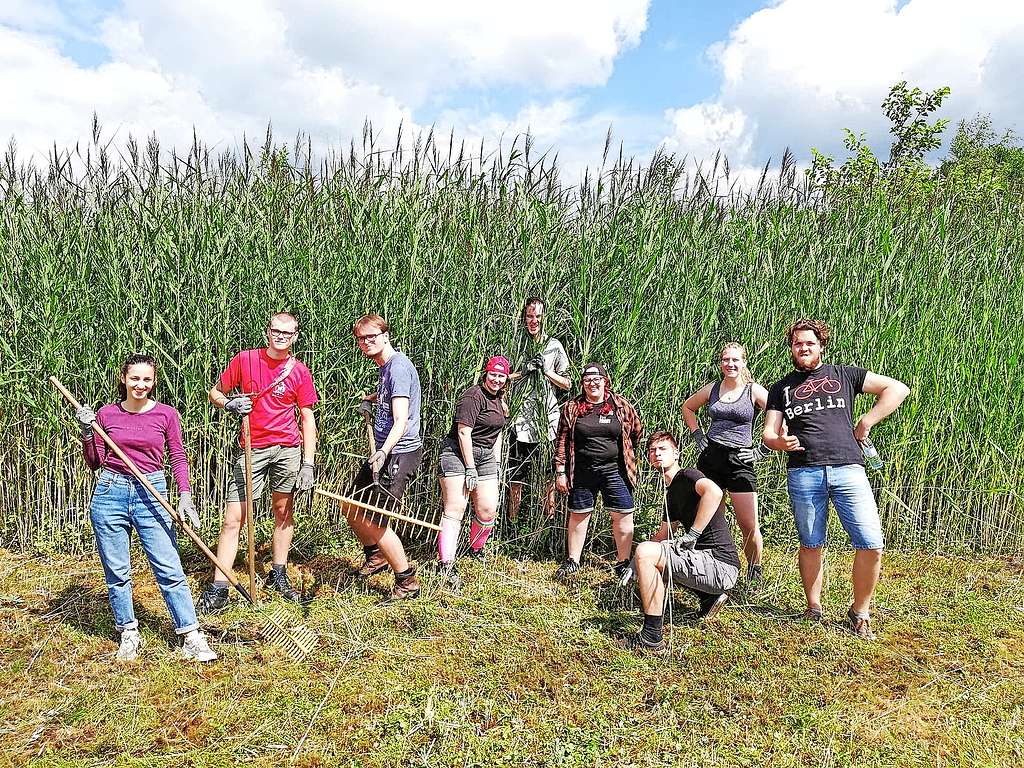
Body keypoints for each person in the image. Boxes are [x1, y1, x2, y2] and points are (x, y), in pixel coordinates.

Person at [763, 319, 910, 639]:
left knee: (871, 543)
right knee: (811, 543)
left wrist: (866, 421)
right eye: (798, 343)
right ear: (791, 348)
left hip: (849, 469)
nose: (803, 348)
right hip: (804, 471)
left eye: (809, 343)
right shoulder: (781, 388)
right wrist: (779, 443)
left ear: (821, 346)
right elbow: (768, 434)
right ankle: (813, 608)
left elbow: (897, 389)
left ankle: (859, 612)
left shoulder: (844, 374)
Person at [75, 354, 217, 662]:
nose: (141, 385)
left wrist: (184, 496)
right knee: (117, 571)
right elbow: (95, 462)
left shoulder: (166, 414)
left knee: (168, 567)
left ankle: (191, 634)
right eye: (135, 378)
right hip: (110, 491)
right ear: (123, 379)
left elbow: (178, 456)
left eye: (147, 380)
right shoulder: (106, 414)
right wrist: (88, 431)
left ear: (153, 382)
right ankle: (128, 632)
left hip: (152, 492)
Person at [199, 312, 319, 612]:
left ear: (295, 336)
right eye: (276, 331)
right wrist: (229, 403)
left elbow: (307, 417)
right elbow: (215, 392)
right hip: (252, 449)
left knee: (283, 511)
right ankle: (219, 587)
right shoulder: (245, 360)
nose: (281, 336)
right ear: (268, 332)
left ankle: (279, 573)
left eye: (287, 333)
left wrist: (308, 463)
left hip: (288, 449)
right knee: (233, 518)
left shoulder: (299, 371)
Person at [622, 431, 739, 652]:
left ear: (676, 454)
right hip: (707, 564)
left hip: (720, 564)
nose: (657, 454)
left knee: (649, 553)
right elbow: (664, 535)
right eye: (652, 450)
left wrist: (693, 534)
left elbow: (714, 493)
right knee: (649, 552)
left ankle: (651, 638)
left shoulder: (687, 475)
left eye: (662, 449)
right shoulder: (670, 493)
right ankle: (708, 596)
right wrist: (634, 562)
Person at [348, 313, 424, 600]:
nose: (366, 342)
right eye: (361, 339)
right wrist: (374, 401)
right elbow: (394, 402)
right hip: (384, 452)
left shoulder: (398, 368)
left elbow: (402, 420)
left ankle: (407, 581)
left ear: (385, 336)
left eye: (371, 337)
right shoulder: (386, 368)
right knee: (351, 507)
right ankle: (376, 556)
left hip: (398, 454)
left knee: (376, 520)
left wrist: (382, 451)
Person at [682, 342, 770, 583]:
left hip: (740, 459)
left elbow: (778, 415)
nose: (730, 364)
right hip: (711, 457)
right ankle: (714, 567)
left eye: (735, 360)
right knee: (712, 519)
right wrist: (697, 434)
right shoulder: (712, 388)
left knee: (748, 524)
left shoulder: (754, 391)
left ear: (743, 362)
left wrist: (763, 450)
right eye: (725, 360)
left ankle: (754, 569)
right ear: (721, 363)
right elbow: (688, 407)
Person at [552, 363, 643, 580]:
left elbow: (636, 432)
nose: (592, 384)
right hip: (582, 470)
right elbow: (562, 439)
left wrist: (626, 454)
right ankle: (573, 560)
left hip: (616, 470)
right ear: (582, 384)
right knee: (579, 514)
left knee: (622, 515)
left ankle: (622, 563)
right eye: (587, 381)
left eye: (596, 380)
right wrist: (560, 471)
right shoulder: (572, 407)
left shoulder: (620, 405)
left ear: (605, 381)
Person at [435, 356, 511, 588]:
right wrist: (470, 468)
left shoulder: (500, 399)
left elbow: (496, 435)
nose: (496, 379)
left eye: (501, 376)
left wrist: (495, 464)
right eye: (493, 374)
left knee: (488, 509)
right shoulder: (472, 396)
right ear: (485, 374)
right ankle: (445, 563)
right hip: (457, 453)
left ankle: (476, 548)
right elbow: (463, 433)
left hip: (486, 455)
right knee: (456, 507)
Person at [506, 297, 571, 520]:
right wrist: (522, 371)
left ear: (544, 318)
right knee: (516, 477)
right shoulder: (516, 345)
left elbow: (568, 383)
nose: (533, 321)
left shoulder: (554, 346)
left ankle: (547, 522)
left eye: (538, 316)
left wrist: (547, 372)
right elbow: (501, 379)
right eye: (529, 316)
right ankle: (513, 522)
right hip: (520, 421)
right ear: (524, 318)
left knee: (547, 477)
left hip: (547, 421)